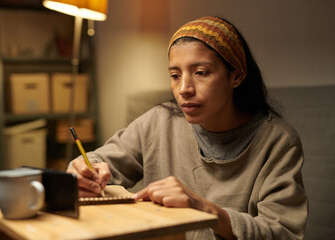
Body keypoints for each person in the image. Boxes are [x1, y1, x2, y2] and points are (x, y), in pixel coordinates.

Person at [67, 16, 308, 240]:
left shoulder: (278, 141)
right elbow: (97, 162)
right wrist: (84, 173)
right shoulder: (159, 121)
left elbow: (283, 233)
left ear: (236, 76)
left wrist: (204, 209)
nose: (184, 89)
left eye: (201, 73)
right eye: (175, 75)